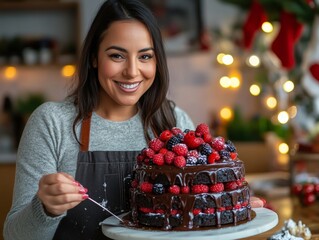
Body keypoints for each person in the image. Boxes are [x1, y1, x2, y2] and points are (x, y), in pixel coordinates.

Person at [3, 0, 195, 239]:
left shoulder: (174, 123)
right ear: (94, 57)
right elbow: (14, 235)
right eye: (117, 55)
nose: (132, 71)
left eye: (145, 56)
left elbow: (193, 220)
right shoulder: (52, 123)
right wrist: (45, 208)